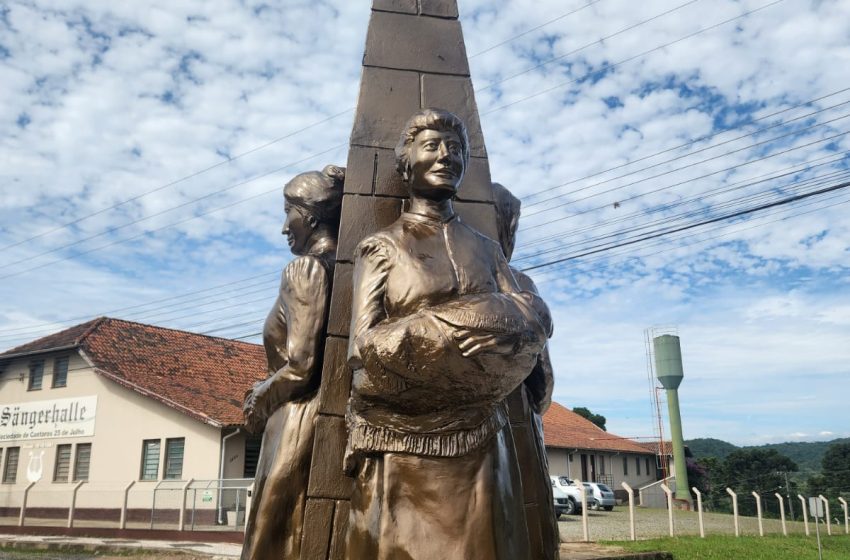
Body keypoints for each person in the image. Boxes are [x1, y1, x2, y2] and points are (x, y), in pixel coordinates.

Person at [344, 109, 552, 560]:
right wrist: (451, 330)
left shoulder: (488, 249)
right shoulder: (382, 247)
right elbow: (362, 352)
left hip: (480, 442)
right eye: (432, 146)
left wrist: (504, 331)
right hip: (405, 445)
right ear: (407, 163)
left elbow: (534, 321)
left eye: (456, 149)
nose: (446, 157)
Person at [241, 164, 344, 560]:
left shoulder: (304, 269)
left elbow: (301, 365)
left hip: (298, 419)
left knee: (278, 535)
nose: (285, 226)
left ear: (311, 217)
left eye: (289, 212)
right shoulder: (353, 268)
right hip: (323, 416)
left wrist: (258, 401)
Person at [493, 182, 560, 560]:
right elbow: (543, 376)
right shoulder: (520, 283)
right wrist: (534, 409)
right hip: (518, 415)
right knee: (528, 517)